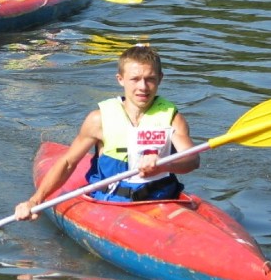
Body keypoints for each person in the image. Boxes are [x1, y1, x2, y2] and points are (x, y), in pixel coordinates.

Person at [14, 44, 200, 221]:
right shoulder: (99, 120)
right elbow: (69, 163)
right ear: (120, 79)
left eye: (150, 79)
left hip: (162, 200)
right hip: (111, 203)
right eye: (134, 79)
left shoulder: (172, 118)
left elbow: (192, 160)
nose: (143, 87)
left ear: (160, 78)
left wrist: (163, 166)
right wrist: (35, 201)